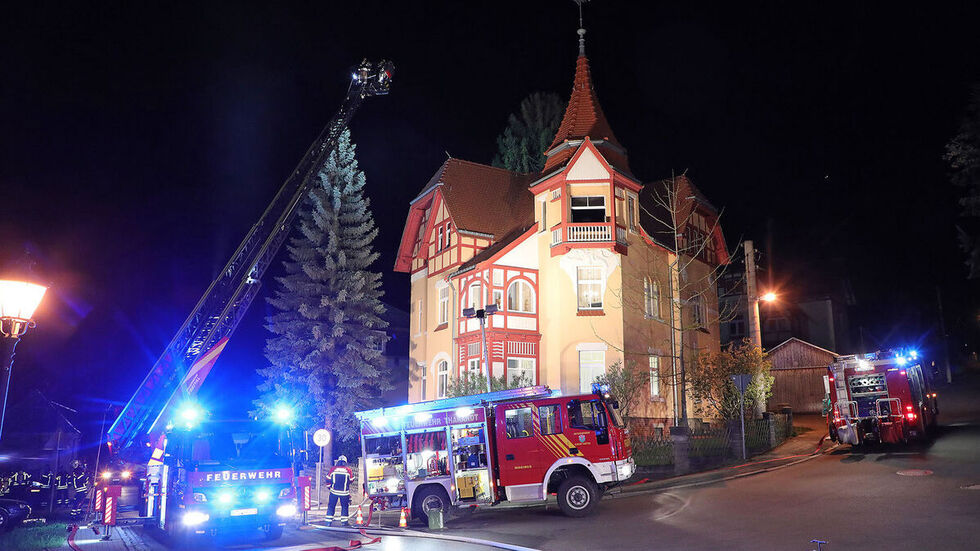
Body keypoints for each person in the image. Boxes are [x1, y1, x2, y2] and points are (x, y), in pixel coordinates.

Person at [325, 455, 353, 525]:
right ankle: (344, 522)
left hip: (333, 492)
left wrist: (330, 487)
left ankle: (328, 522)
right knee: (344, 506)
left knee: (331, 506)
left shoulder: (333, 469)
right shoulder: (348, 470)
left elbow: (328, 479)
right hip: (344, 493)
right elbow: (352, 480)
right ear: (345, 462)